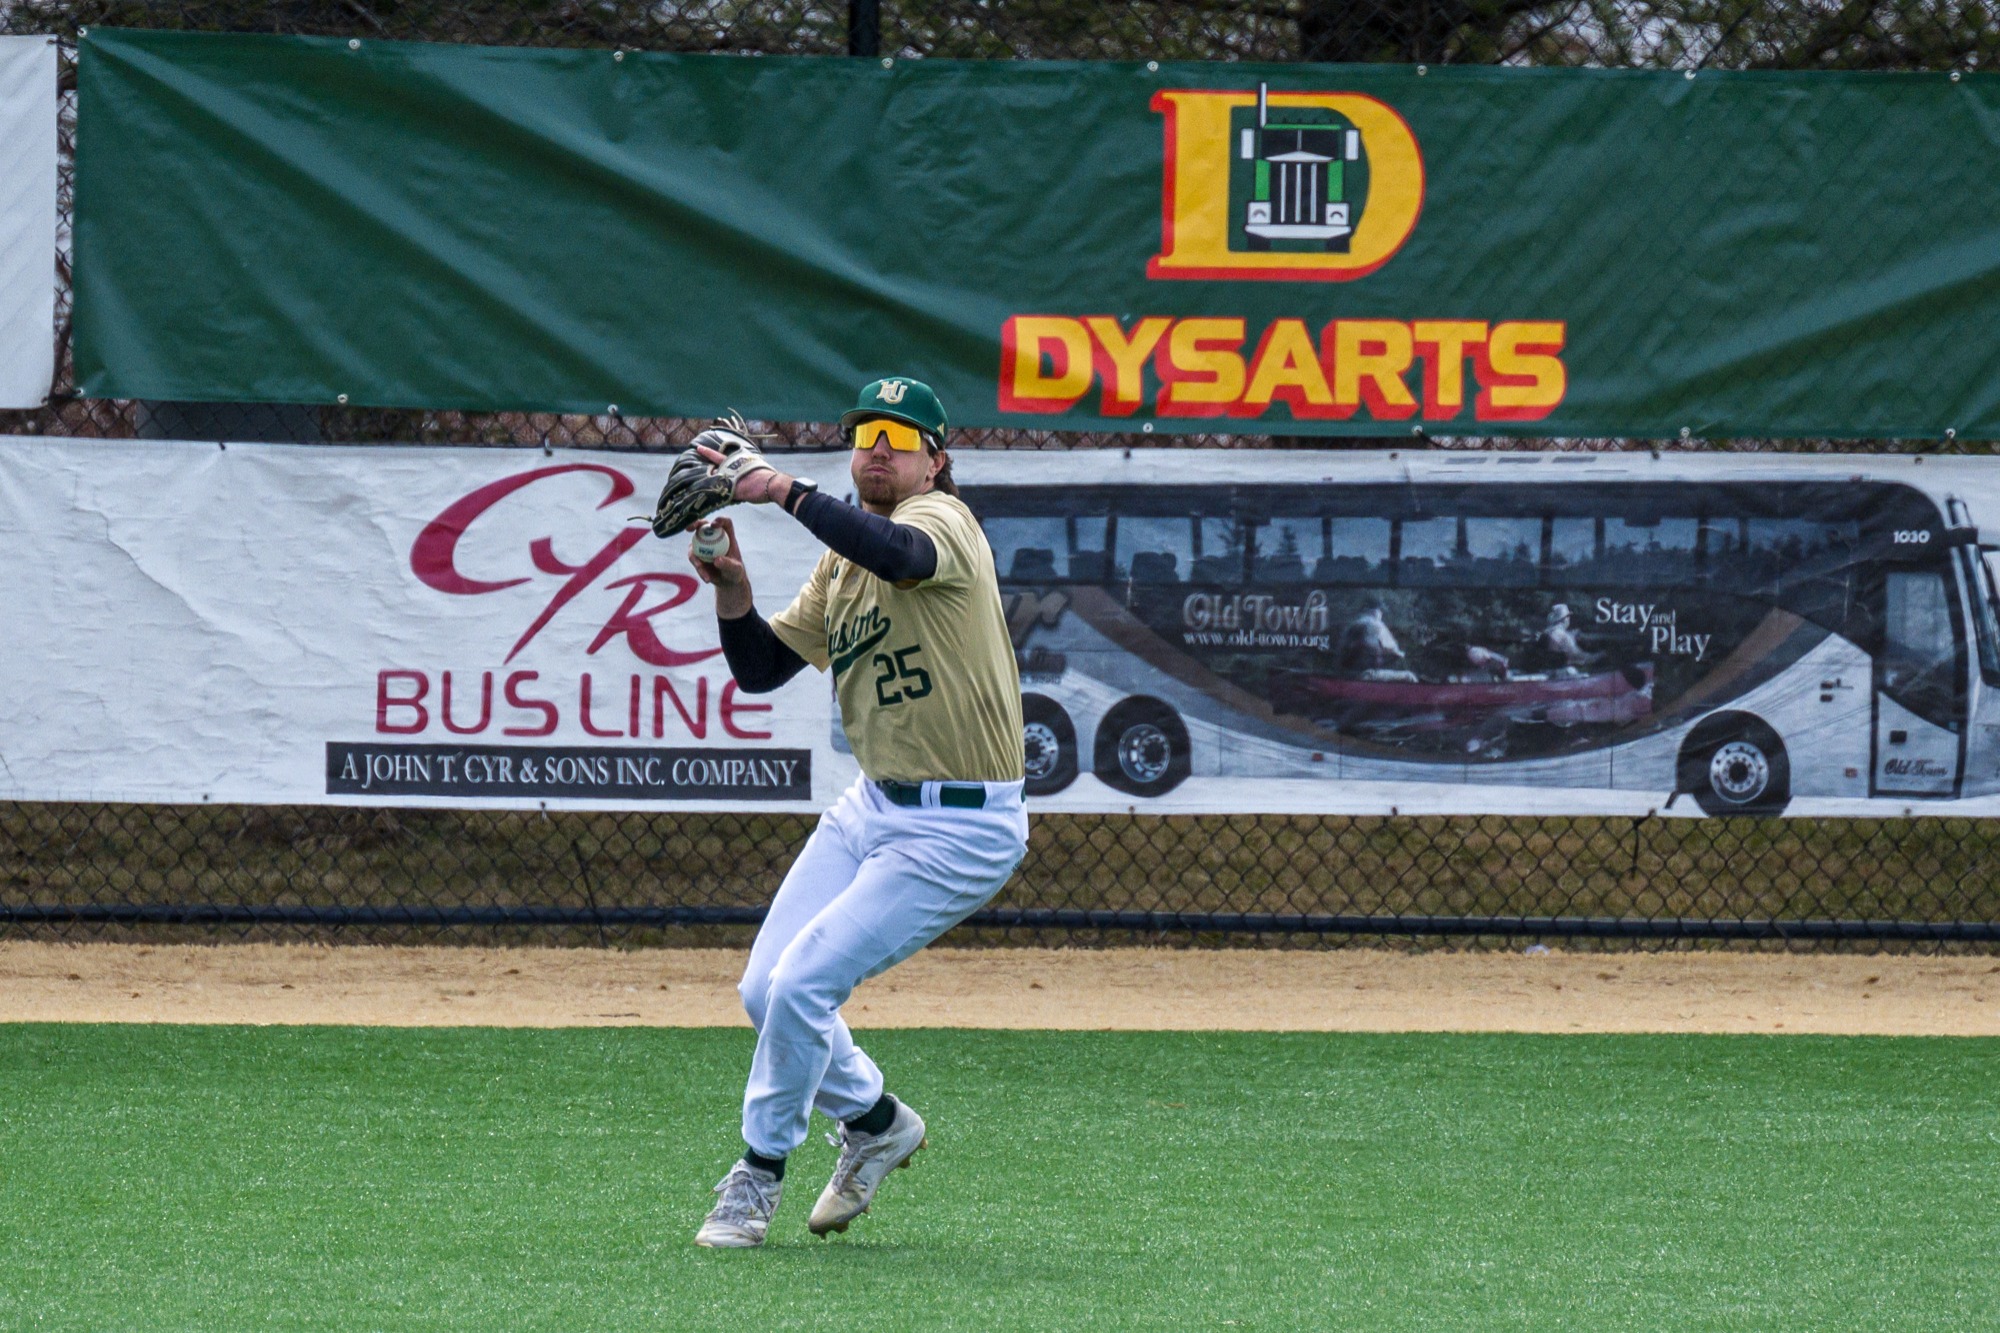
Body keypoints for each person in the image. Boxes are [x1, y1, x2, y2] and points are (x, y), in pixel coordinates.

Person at [680, 377, 1028, 1248]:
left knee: (803, 984)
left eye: (900, 435)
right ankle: (875, 1120)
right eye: (866, 430)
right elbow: (762, 668)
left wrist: (778, 489)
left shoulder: (944, 523)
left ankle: (756, 1175)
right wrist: (731, 587)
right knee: (765, 989)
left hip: (961, 826)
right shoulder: (842, 561)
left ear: (935, 460)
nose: (879, 445)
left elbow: (901, 555)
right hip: (872, 806)